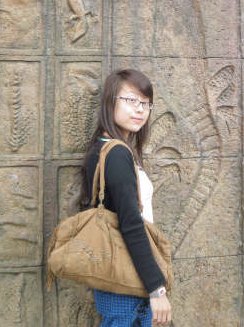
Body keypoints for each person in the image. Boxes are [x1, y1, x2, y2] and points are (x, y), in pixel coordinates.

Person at [82, 68, 172, 327]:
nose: (140, 109)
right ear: (111, 101)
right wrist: (156, 289)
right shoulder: (117, 153)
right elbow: (131, 223)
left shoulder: (101, 148)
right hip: (127, 281)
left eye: (146, 103)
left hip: (115, 278)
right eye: (131, 100)